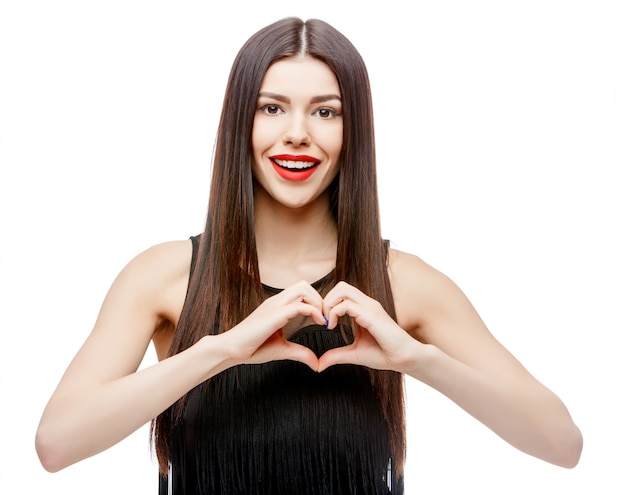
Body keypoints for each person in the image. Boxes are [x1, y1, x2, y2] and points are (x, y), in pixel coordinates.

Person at [35, 17, 582, 494]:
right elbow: (56, 444)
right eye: (271, 108)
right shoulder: (164, 277)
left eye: (326, 112)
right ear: (240, 124)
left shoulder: (405, 284)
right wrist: (220, 351)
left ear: (353, 131)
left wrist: (417, 359)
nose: (297, 134)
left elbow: (561, 444)